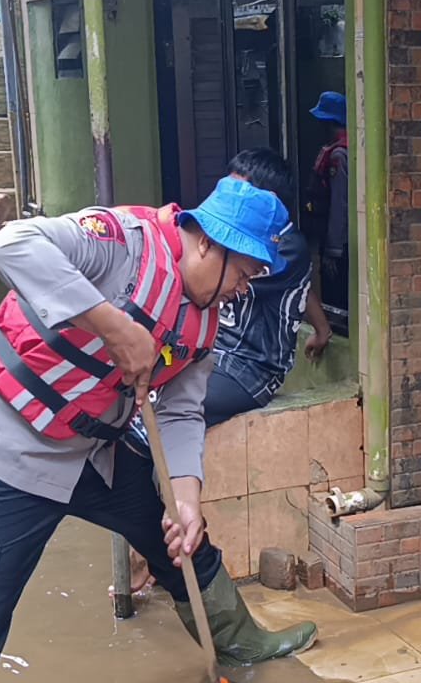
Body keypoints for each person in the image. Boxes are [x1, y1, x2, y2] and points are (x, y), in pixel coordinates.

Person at [0, 178, 300, 683]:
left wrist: (186, 498)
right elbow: (9, 243)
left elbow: (182, 410)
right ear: (209, 244)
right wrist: (114, 325)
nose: (244, 289)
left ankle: (238, 641)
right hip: (4, 449)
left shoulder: (203, 321)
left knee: (179, 541)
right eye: (244, 272)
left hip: (91, 452)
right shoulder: (118, 242)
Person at [118, 149, 335, 600]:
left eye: (239, 189)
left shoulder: (278, 248)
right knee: (139, 414)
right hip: (219, 352)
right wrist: (323, 327)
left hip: (253, 366)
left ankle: (152, 554)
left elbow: (286, 275)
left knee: (147, 426)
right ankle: (156, 547)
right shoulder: (253, 247)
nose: (227, 197)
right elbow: (305, 285)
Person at [304, 90, 348, 360]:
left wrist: (333, 249)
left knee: (337, 299)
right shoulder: (337, 152)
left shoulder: (339, 156)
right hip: (331, 238)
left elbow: (340, 205)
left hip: (338, 243)